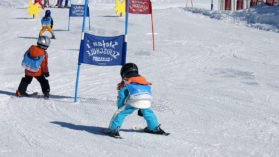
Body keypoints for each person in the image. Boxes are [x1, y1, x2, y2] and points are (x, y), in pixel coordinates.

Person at [107, 63, 167, 138]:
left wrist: (120, 107)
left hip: (135, 100)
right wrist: (142, 107)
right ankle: (154, 128)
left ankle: (113, 129)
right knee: (148, 112)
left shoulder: (126, 81)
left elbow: (122, 95)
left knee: (120, 113)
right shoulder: (143, 80)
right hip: (147, 99)